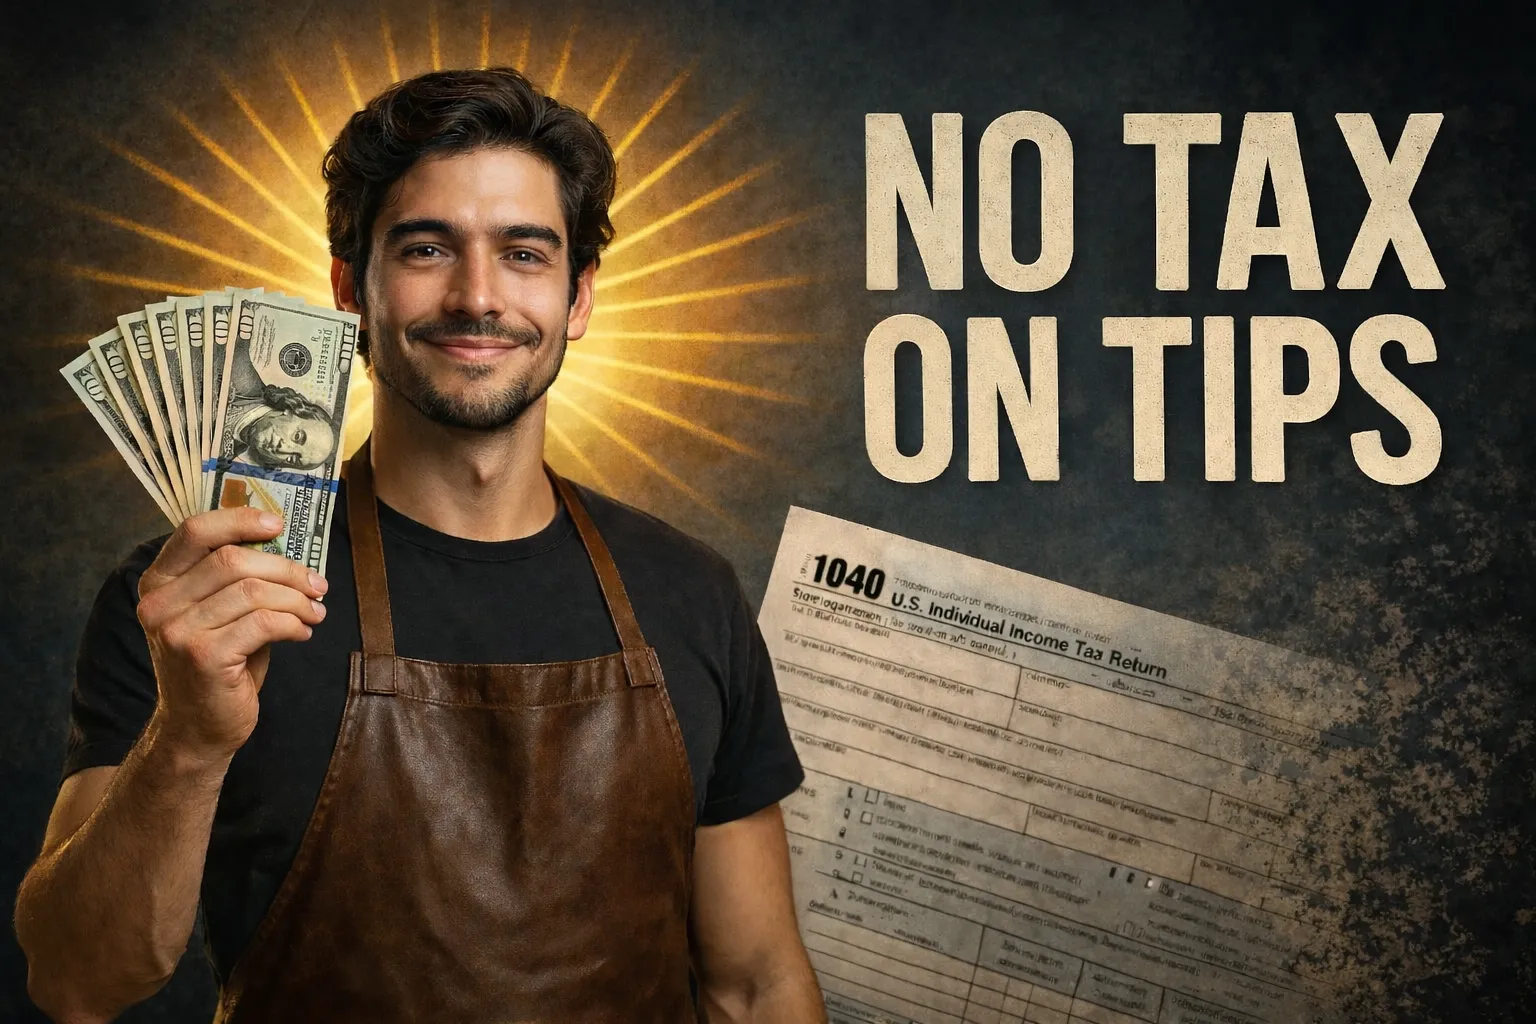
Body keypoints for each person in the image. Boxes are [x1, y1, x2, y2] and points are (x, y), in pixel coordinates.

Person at [16, 67, 826, 1022]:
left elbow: (757, 985)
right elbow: (77, 983)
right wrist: (190, 738)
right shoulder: (197, 595)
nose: (477, 297)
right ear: (350, 288)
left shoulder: (692, 594)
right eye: (427, 248)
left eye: (525, 253)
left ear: (579, 298)